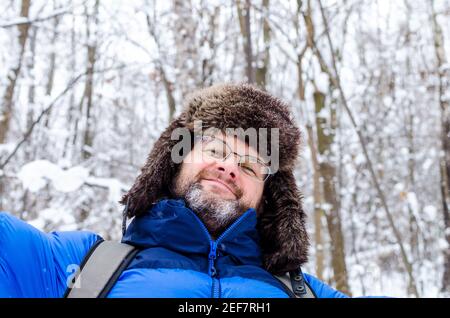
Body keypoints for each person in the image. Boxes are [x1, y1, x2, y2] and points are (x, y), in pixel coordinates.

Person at [0, 83, 348, 298]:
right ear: (174, 162)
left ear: (267, 198)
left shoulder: (304, 293)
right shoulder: (78, 267)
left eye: (247, 166)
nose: (228, 167)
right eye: (214, 150)